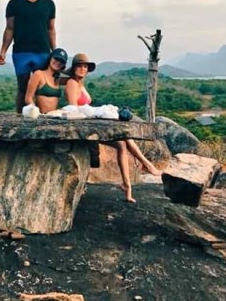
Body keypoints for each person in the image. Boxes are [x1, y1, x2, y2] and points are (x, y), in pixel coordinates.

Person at [64, 53, 161, 203]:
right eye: (79, 66)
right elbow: (73, 109)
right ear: (74, 68)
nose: (83, 69)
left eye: (85, 66)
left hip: (90, 121)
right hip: (83, 126)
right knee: (124, 138)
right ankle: (145, 164)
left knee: (122, 143)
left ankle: (127, 185)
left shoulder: (80, 83)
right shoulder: (72, 83)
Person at [0, 0, 57, 113]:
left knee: (41, 87)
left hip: (42, 51)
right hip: (21, 52)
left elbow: (51, 29)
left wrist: (54, 50)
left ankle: (41, 118)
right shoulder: (14, 4)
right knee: (23, 88)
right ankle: (20, 119)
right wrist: (3, 51)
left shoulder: (48, 4)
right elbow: (9, 28)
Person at [24, 48, 68, 114]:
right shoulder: (38, 74)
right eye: (56, 59)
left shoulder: (57, 79)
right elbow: (28, 98)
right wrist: (35, 112)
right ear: (50, 58)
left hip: (54, 116)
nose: (58, 62)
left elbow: (73, 77)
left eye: (61, 61)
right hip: (41, 116)